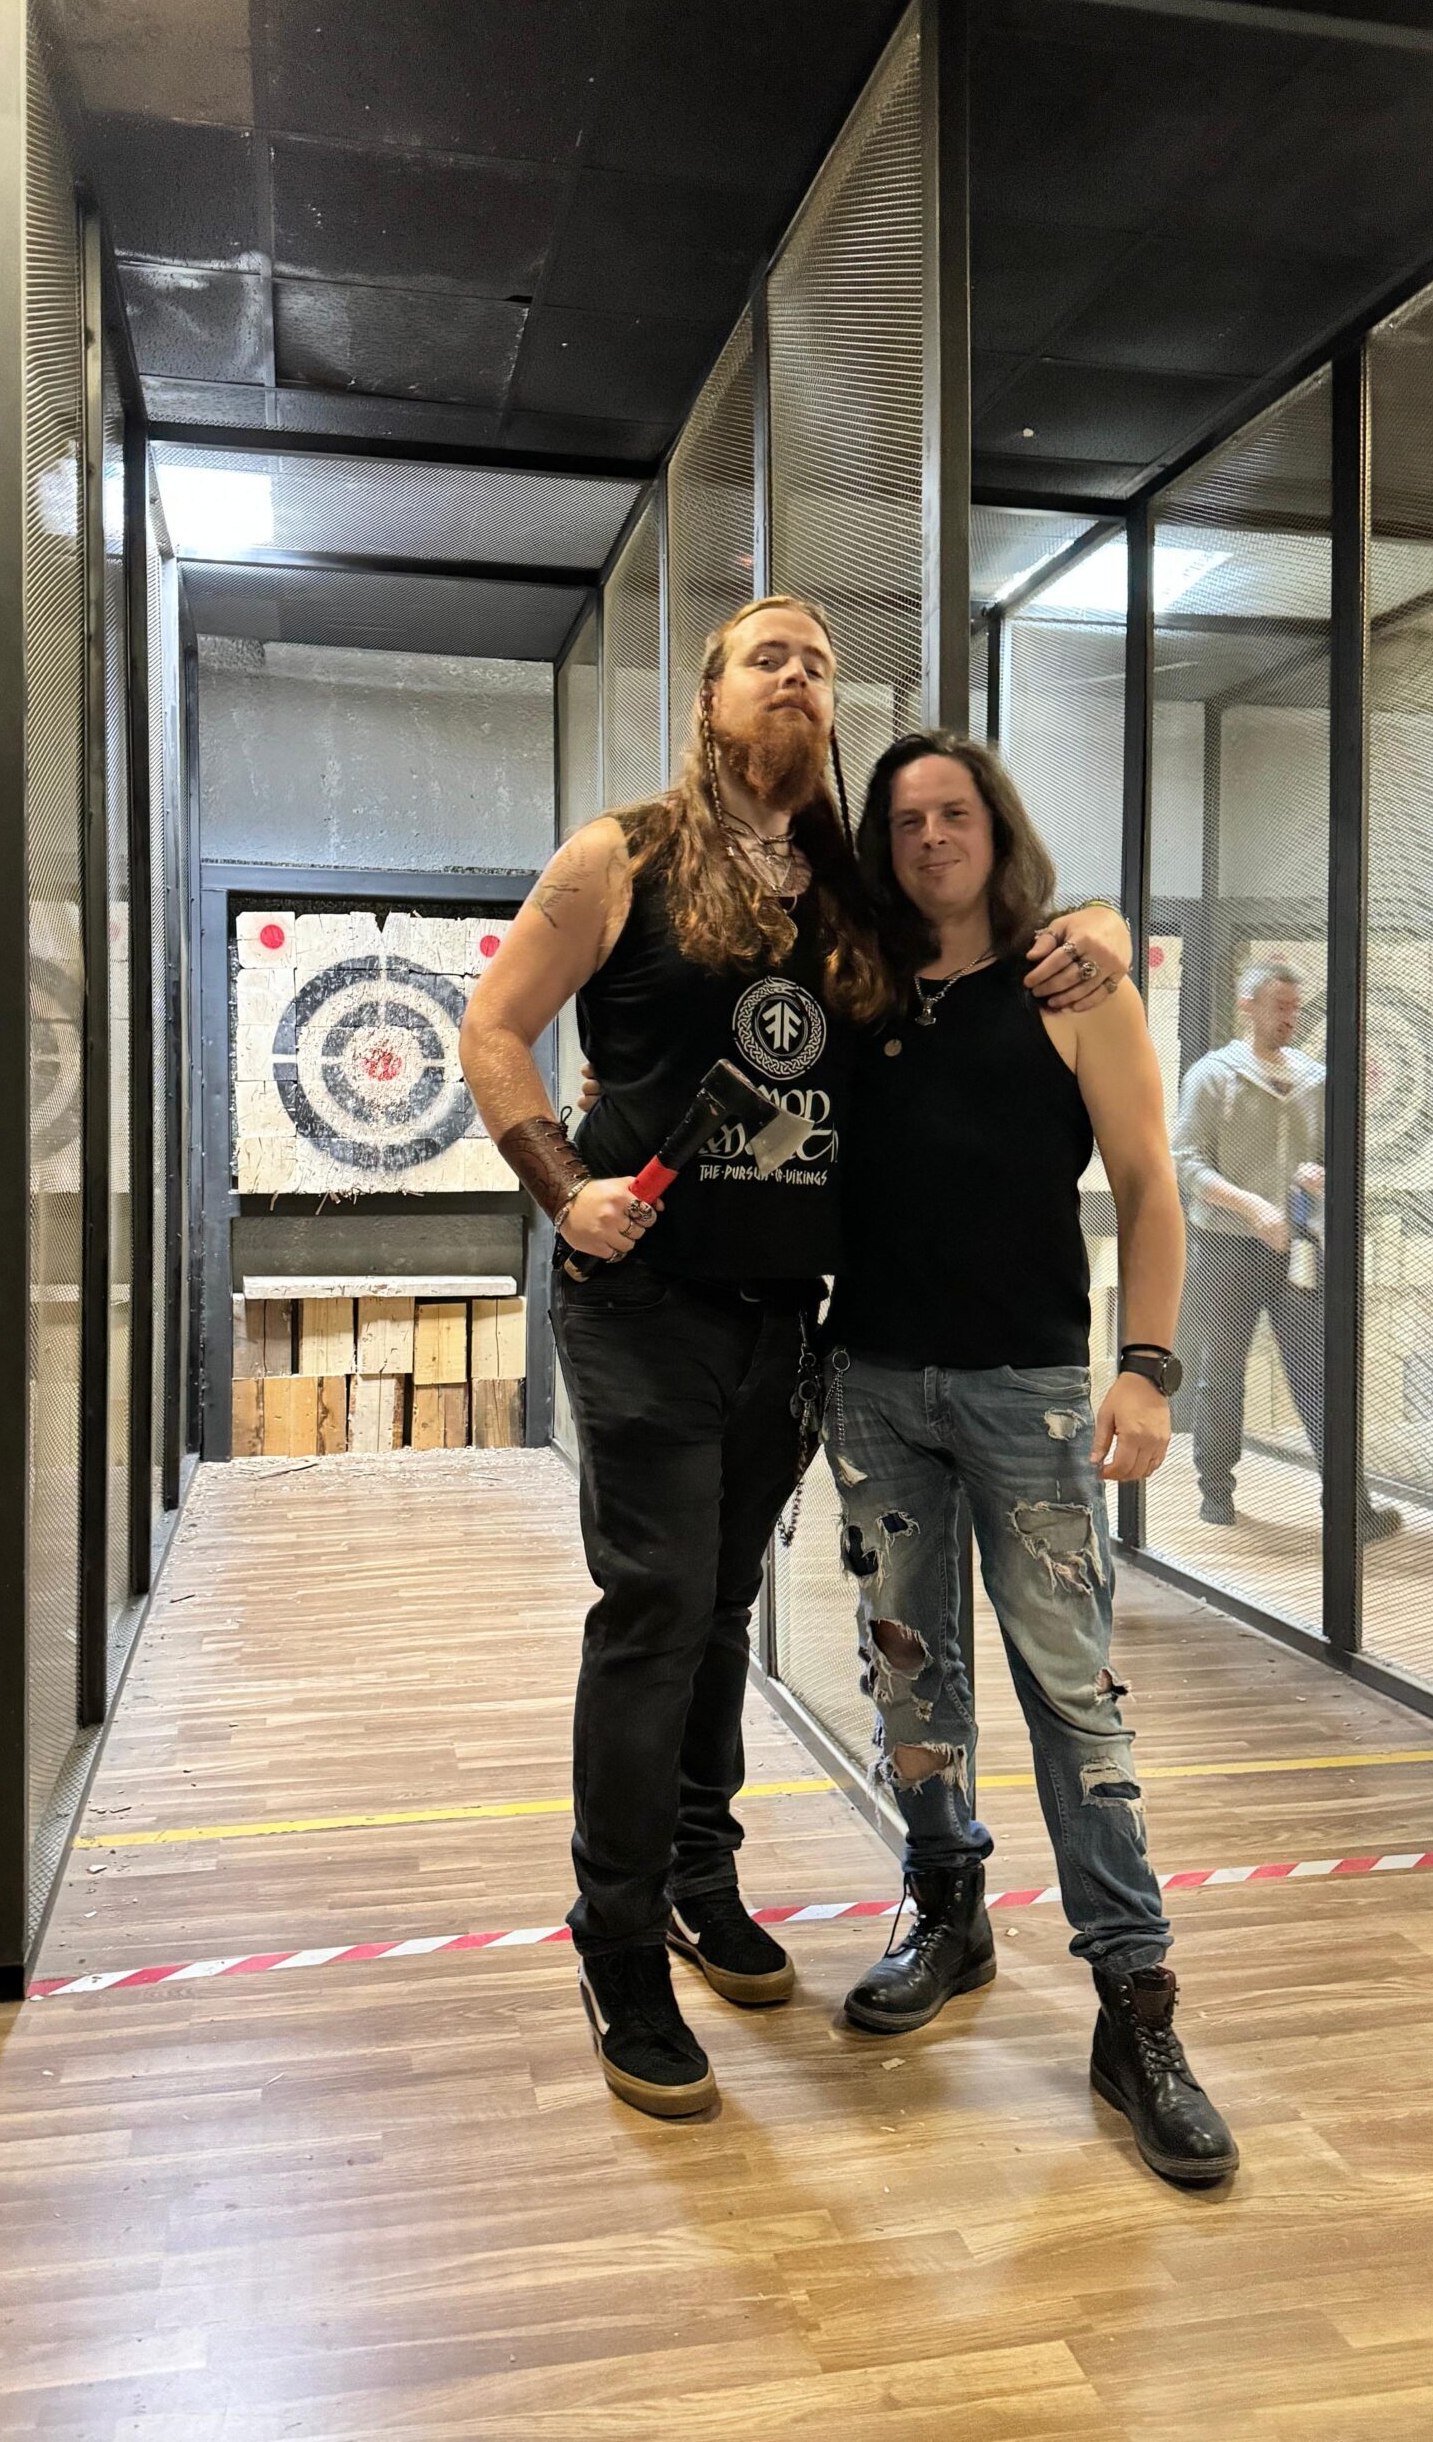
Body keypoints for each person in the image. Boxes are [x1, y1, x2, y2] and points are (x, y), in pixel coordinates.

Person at [460, 595, 1130, 2119]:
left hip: (787, 1321)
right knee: (656, 1608)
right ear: (710, 698)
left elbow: (990, 918)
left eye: (820, 666)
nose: (798, 677)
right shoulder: (618, 856)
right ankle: (615, 1940)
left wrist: (1091, 934)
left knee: (719, 1609)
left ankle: (698, 1881)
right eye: (768, 656)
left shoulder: (850, 891)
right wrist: (562, 1190)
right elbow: (494, 1030)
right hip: (642, 1307)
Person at [820, 733, 1237, 2187]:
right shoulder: (855, 987)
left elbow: (1150, 1186)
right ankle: (949, 1910)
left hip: (1033, 1397)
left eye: (957, 813)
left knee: (1073, 1694)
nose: (932, 837)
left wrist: (1149, 1367)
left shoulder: (1077, 983)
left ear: (997, 829)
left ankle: (1136, 2004)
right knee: (909, 1673)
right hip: (874, 1389)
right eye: (906, 820)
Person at [1172, 963, 1401, 1541]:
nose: (1290, 1018)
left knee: (1320, 1375)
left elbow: (1333, 1156)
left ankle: (1351, 1507)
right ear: (1246, 1004)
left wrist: (1321, 1177)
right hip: (1225, 1249)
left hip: (1297, 1249)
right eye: (1279, 1006)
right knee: (1221, 1371)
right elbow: (1186, 1162)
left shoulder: (1315, 1080)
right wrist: (1252, 1206)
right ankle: (1215, 1491)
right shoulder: (1213, 1076)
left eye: (1296, 1007)